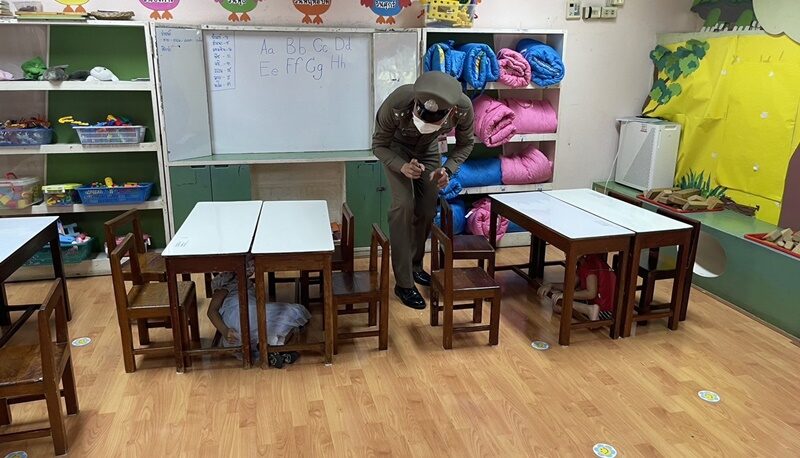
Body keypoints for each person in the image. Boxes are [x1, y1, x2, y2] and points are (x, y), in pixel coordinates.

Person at [372, 71, 475, 309]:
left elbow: (466, 143)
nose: (424, 125)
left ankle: (415, 266)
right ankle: (404, 283)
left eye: (433, 123)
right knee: (403, 205)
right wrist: (402, 166)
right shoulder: (398, 102)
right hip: (396, 149)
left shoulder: (462, 108)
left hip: (429, 150)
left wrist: (447, 170)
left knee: (428, 208)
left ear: (450, 112)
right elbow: (378, 145)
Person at [207, 258, 311, 368]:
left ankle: (272, 351)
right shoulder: (227, 281)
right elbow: (212, 311)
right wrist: (224, 330)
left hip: (240, 327)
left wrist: (225, 331)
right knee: (295, 312)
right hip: (239, 316)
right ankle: (275, 349)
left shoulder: (243, 280)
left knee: (271, 325)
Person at [537, 254, 617, 321]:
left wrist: (566, 295)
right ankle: (588, 309)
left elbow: (591, 293)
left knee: (560, 303)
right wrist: (551, 285)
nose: (566, 254)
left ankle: (590, 310)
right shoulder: (584, 262)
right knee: (557, 304)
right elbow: (570, 286)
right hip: (603, 306)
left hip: (606, 311)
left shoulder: (589, 265)